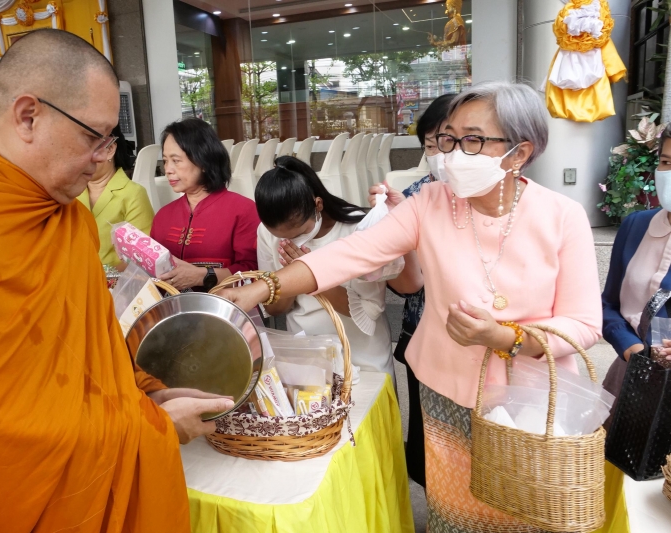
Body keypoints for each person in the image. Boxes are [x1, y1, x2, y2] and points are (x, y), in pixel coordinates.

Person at [0, 29, 231, 532]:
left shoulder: (69, 220)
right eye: (94, 137)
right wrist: (151, 427)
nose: (102, 157)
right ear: (28, 115)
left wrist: (147, 393)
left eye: (110, 141)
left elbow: (87, 356)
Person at [221, 82, 602, 532]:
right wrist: (266, 285)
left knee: (523, 518)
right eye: (449, 138)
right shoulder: (432, 203)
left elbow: (583, 324)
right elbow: (352, 253)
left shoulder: (561, 215)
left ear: (519, 152)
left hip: (530, 400)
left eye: (473, 139)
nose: (454, 153)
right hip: (445, 393)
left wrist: (504, 337)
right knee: (455, 516)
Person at [256, 156, 414, 382]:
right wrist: (288, 281)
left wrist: (309, 276)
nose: (292, 240)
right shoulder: (266, 233)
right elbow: (274, 310)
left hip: (362, 354)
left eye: (299, 232)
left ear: (318, 205)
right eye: (279, 236)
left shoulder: (357, 228)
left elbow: (368, 312)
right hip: (309, 356)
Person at [377, 93, 455, 489]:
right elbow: (406, 285)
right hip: (422, 333)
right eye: (430, 145)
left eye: (450, 141)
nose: (439, 154)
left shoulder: (506, 202)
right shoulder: (414, 198)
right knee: (429, 434)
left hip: (481, 346)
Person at [601, 126, 671, 412]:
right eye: (667, 162)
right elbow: (608, 305)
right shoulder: (636, 226)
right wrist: (630, 346)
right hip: (631, 377)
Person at [152, 118, 260, 291]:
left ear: (203, 161)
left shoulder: (243, 210)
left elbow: (255, 273)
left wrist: (203, 276)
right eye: (165, 160)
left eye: (176, 160)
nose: (168, 169)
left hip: (225, 311)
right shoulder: (163, 216)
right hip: (172, 312)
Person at [79, 124, 154, 268]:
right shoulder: (71, 194)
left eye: (88, 149)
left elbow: (142, 258)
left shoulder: (133, 194)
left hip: (115, 285)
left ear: (110, 150)